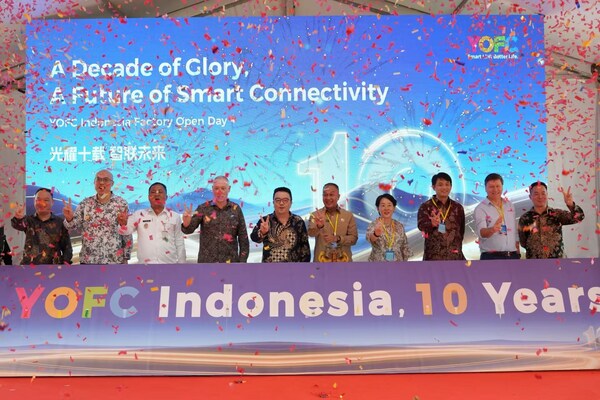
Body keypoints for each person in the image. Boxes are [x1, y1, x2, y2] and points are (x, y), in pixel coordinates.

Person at [63, 169, 131, 264]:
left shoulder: (121, 204)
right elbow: (71, 226)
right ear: (94, 182)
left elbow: (127, 231)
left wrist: (126, 256)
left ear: (112, 183)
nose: (101, 182)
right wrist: (69, 218)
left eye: (105, 179)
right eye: (98, 179)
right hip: (88, 260)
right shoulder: (85, 203)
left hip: (114, 260)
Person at [181, 176, 249, 263]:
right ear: (212, 189)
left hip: (230, 263)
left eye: (223, 188)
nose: (219, 192)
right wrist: (186, 222)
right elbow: (188, 230)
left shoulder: (236, 209)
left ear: (229, 189)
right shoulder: (203, 208)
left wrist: (242, 263)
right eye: (216, 188)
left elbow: (243, 239)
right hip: (207, 263)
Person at [118, 182, 186, 264]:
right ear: (148, 197)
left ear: (166, 197)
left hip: (169, 264)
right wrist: (123, 224)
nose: (157, 194)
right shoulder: (139, 215)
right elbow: (126, 231)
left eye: (160, 192)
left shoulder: (175, 216)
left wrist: (182, 264)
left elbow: (179, 241)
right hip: (145, 266)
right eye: (153, 192)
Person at [518, 181, 585, 259]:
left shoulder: (556, 214)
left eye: (543, 193)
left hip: (557, 261)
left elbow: (579, 217)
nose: (540, 197)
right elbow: (523, 242)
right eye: (536, 194)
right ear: (530, 196)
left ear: (547, 195)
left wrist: (571, 205)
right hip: (534, 262)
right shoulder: (525, 218)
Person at [10, 188, 72, 265]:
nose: (42, 203)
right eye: (38, 200)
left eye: (46, 200)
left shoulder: (60, 222)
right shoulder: (28, 220)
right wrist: (18, 218)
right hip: (29, 266)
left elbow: (67, 248)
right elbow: (17, 225)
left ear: (52, 202)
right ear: (34, 201)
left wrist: (65, 265)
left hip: (54, 266)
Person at [250, 187, 311, 263]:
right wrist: (262, 232)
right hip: (269, 268)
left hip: (294, 268)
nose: (281, 203)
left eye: (285, 200)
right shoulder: (265, 220)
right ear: (273, 203)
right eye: (278, 200)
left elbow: (305, 248)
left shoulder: (298, 221)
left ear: (291, 203)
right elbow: (253, 237)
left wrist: (304, 268)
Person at [417, 172, 465, 260]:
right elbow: (421, 226)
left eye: (447, 184)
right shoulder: (426, 206)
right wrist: (431, 224)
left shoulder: (458, 207)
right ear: (433, 187)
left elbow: (461, 231)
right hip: (433, 257)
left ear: (451, 186)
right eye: (440, 185)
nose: (444, 187)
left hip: (455, 257)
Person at [308, 183, 358, 262]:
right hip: (322, 261)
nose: (328, 198)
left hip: (343, 262)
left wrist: (337, 238)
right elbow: (310, 234)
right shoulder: (315, 215)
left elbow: (354, 239)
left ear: (338, 196)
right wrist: (319, 227)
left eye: (331, 195)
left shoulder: (348, 215)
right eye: (325, 195)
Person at [474, 173, 519, 260]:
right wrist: (492, 229)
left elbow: (514, 232)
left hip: (512, 255)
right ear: (485, 188)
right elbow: (481, 233)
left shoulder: (509, 205)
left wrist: (518, 253)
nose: (495, 189)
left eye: (498, 186)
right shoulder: (480, 208)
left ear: (502, 187)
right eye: (491, 187)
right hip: (491, 257)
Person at [366, 193, 411, 262]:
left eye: (389, 205)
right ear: (378, 208)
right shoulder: (374, 225)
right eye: (383, 205)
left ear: (394, 208)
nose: (386, 208)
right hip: (378, 263)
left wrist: (405, 264)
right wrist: (376, 234)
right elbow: (370, 239)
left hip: (397, 263)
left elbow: (405, 246)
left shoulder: (399, 225)